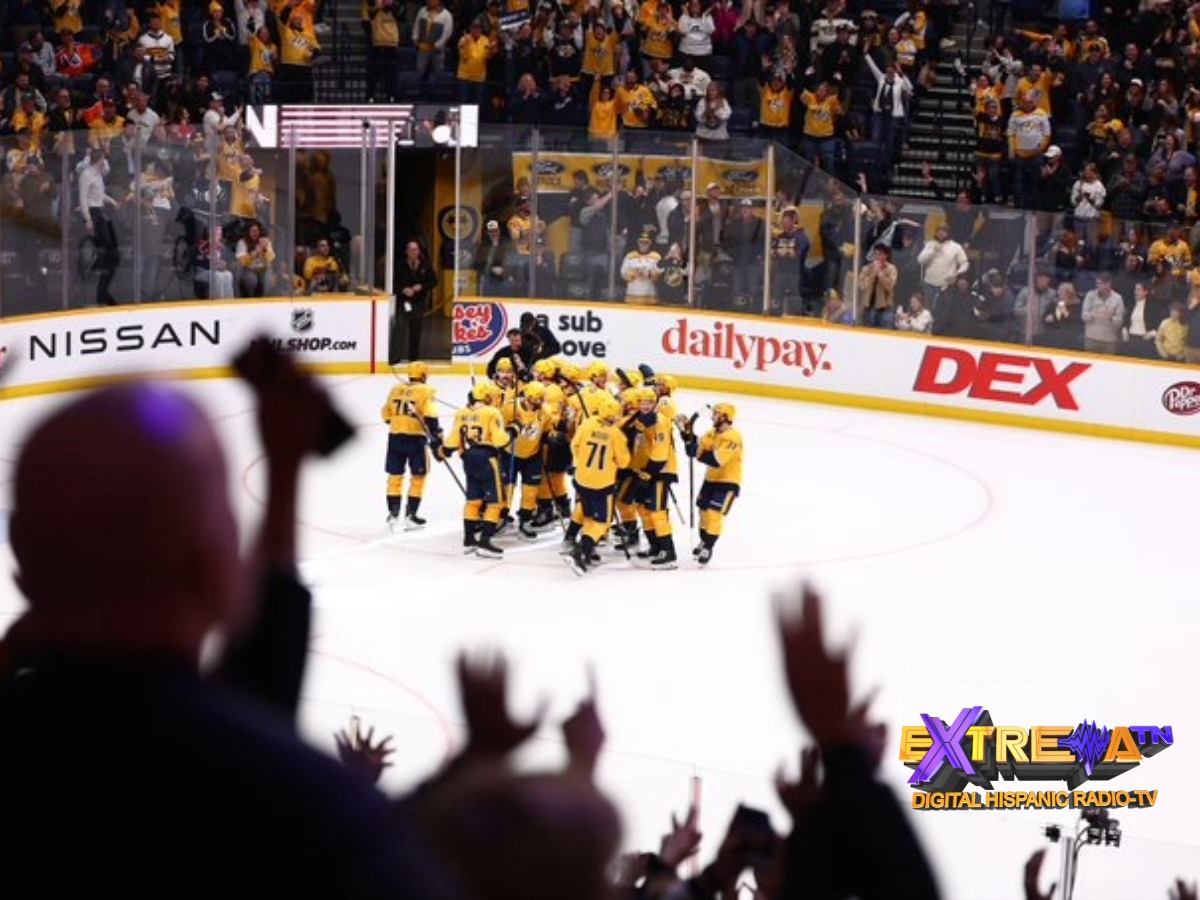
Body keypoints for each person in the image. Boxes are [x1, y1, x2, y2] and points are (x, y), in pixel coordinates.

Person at [0, 342, 453, 895]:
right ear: (217, 572)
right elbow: (248, 706)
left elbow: (255, 683)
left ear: (21, 561)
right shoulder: (301, 807)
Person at [436, 381, 510, 558]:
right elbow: (501, 441)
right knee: (495, 502)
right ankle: (485, 542)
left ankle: (469, 539)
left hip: (468, 458)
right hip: (487, 457)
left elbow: (452, 442)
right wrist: (513, 431)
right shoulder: (492, 412)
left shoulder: (462, 413)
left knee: (473, 500)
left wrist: (443, 451)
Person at [564, 395, 631, 576]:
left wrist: (584, 463)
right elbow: (624, 462)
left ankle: (584, 549)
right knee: (603, 521)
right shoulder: (616, 434)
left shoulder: (587, 424)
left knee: (588, 514)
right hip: (603, 484)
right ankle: (581, 550)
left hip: (582, 480)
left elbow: (574, 446)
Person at [381, 361, 442, 531]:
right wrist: (436, 436)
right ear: (424, 375)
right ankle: (411, 515)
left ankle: (393, 514)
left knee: (395, 476)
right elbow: (431, 417)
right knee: (418, 477)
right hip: (415, 440)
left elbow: (386, 414)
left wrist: (399, 422)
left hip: (395, 438)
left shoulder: (396, 389)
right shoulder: (427, 391)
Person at [682, 402, 742, 566]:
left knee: (713, 513)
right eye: (714, 413)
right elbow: (696, 448)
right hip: (710, 480)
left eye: (717, 414)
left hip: (728, 482)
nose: (713, 417)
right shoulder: (711, 433)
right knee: (703, 512)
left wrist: (698, 453)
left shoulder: (733, 437)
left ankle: (708, 547)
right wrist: (687, 436)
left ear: (726, 417)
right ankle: (704, 540)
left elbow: (716, 460)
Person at [393, 240, 438, 365]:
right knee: (400, 327)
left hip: (418, 301)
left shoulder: (425, 265)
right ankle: (395, 356)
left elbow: (434, 281)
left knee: (416, 329)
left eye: (415, 249)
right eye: (410, 250)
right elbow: (392, 283)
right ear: (406, 251)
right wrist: (403, 290)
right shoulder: (399, 265)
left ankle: (413, 358)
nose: (413, 252)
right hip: (404, 301)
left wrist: (421, 287)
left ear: (418, 251)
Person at [858, 242, 898, 329]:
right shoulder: (866, 269)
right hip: (868, 309)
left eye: (880, 254)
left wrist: (880, 273)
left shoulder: (891, 269)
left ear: (886, 256)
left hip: (885, 310)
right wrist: (873, 274)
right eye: (875, 254)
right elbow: (862, 286)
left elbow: (890, 286)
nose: (877, 257)